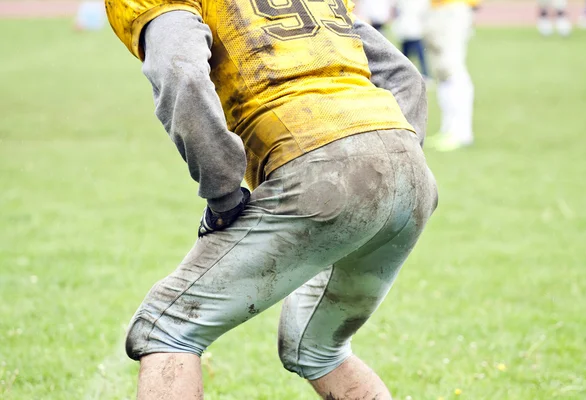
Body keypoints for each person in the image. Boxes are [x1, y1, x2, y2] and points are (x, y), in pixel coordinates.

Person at [105, 0, 438, 397]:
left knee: (166, 328)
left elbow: (182, 73)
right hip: (411, 171)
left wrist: (223, 197)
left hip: (321, 163)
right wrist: (391, 156)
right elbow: (405, 77)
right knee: (314, 347)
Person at [424, 0, 478, 151]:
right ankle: (448, 129)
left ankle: (461, 132)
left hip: (453, 8)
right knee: (442, 71)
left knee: (453, 68)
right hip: (438, 8)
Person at [393, 0, 430, 79]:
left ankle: (425, 74)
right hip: (405, 30)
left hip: (416, 30)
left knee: (420, 55)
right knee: (405, 57)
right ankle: (403, 74)